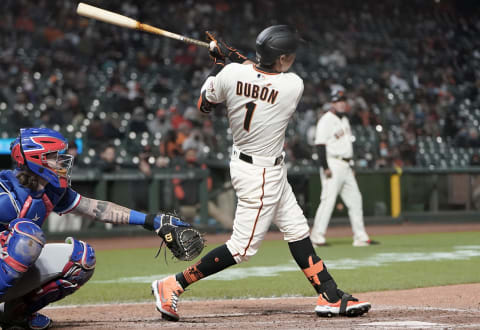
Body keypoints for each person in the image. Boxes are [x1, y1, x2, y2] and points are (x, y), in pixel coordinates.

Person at [151, 25, 371, 322]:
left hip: (254, 164)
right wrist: (231, 57)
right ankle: (172, 284)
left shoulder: (230, 75)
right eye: (289, 54)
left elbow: (204, 104)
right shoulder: (293, 85)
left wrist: (221, 63)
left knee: (296, 229)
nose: (292, 58)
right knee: (241, 248)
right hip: (261, 174)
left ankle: (329, 295)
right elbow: (259, 74)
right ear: (280, 59)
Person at [0, 127, 194, 329]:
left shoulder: (50, 190)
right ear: (36, 159)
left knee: (81, 259)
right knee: (27, 237)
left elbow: (96, 209)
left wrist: (151, 221)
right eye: (54, 156)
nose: (61, 161)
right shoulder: (7, 196)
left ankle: (15, 315)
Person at [310, 89, 378, 247]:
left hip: (346, 165)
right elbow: (320, 145)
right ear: (332, 104)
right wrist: (325, 167)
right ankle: (316, 237)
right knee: (328, 200)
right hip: (332, 163)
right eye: (337, 101)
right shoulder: (326, 120)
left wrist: (352, 164)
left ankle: (360, 237)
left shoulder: (345, 120)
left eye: (343, 101)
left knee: (355, 200)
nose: (341, 103)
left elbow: (347, 145)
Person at [173, 148, 233, 230]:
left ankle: (233, 228)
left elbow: (208, 185)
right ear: (185, 156)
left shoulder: (200, 166)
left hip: (201, 203)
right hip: (185, 205)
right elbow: (176, 186)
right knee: (179, 223)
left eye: (193, 155)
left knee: (219, 215)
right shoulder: (180, 168)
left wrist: (202, 198)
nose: (191, 157)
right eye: (189, 155)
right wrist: (182, 197)